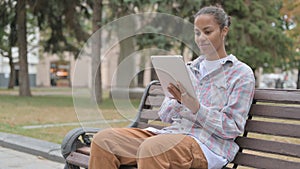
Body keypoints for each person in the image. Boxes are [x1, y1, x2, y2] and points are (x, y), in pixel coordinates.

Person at [89, 5, 255, 169]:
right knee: (103, 140)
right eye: (197, 33)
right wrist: (177, 101)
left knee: (153, 148)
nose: (201, 38)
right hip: (171, 135)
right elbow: (165, 116)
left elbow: (232, 127)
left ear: (224, 31)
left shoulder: (240, 74)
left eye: (208, 31)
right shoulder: (188, 69)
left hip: (209, 146)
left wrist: (197, 109)